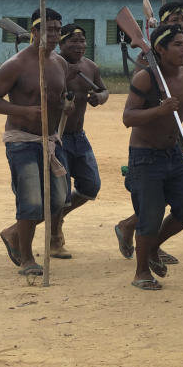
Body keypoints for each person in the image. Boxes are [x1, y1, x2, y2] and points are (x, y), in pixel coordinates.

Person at [0, 8, 69, 276]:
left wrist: (65, 105)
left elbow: (59, 96)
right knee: (31, 201)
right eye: (48, 30)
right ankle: (27, 258)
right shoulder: (16, 65)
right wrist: (24, 111)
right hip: (22, 141)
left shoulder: (59, 63)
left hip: (50, 140)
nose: (54, 35)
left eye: (57, 29)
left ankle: (13, 233)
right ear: (34, 32)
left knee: (59, 199)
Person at [113, 0, 183, 264]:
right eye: (177, 42)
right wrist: (160, 110)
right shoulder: (146, 64)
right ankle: (143, 261)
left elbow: (181, 100)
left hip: (173, 150)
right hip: (146, 153)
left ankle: (149, 244)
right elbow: (130, 115)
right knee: (151, 212)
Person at [50, 23, 109, 257]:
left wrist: (99, 97)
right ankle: (54, 238)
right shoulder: (53, 66)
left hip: (79, 136)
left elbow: (104, 91)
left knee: (91, 186)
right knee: (60, 193)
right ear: (61, 44)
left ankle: (59, 217)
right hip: (57, 137)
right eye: (72, 41)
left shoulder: (90, 67)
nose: (79, 45)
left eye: (82, 40)